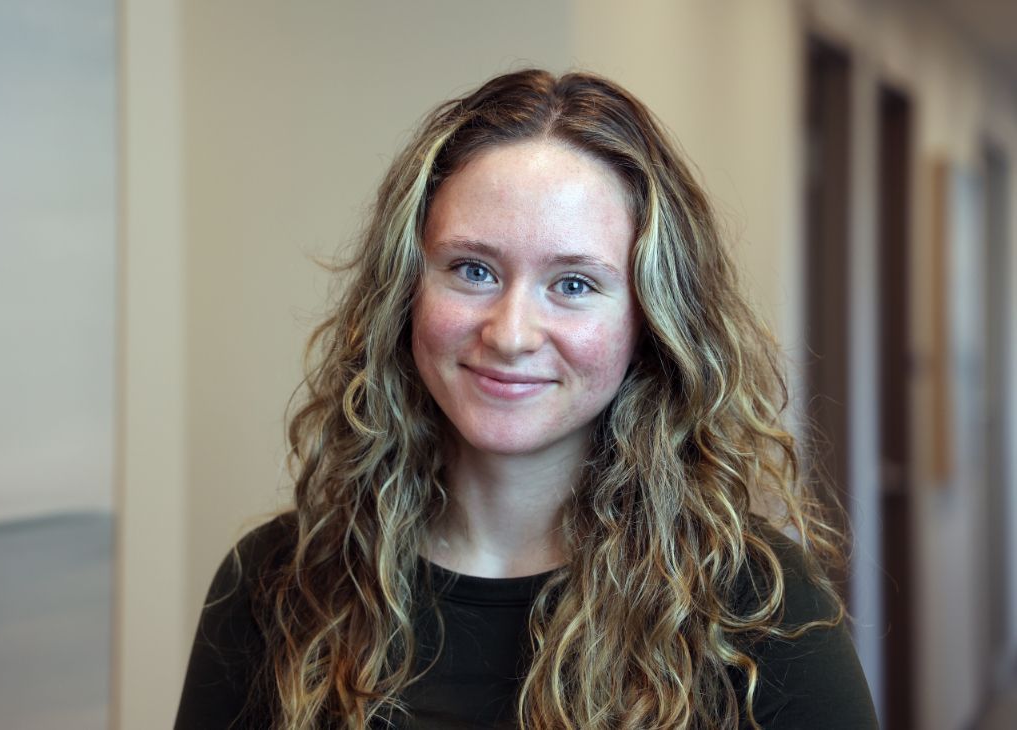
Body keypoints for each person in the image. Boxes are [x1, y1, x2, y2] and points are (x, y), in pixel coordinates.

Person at [175, 69, 878, 729]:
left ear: (650, 320)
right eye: (472, 269)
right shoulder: (272, 586)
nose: (510, 334)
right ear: (405, 292)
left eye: (573, 284)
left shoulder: (761, 607)